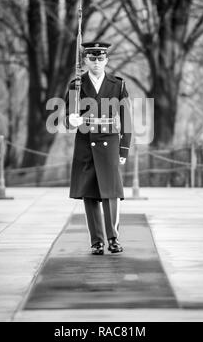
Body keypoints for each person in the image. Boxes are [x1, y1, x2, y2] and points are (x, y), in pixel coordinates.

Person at [64, 41, 132, 255]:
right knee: (90, 193)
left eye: (100, 59)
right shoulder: (76, 85)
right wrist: (71, 120)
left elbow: (127, 120)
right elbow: (67, 115)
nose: (96, 63)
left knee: (111, 192)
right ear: (85, 60)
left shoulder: (117, 85)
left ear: (106, 61)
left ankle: (113, 238)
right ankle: (97, 241)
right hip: (85, 143)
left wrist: (124, 149)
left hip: (109, 142)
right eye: (92, 59)